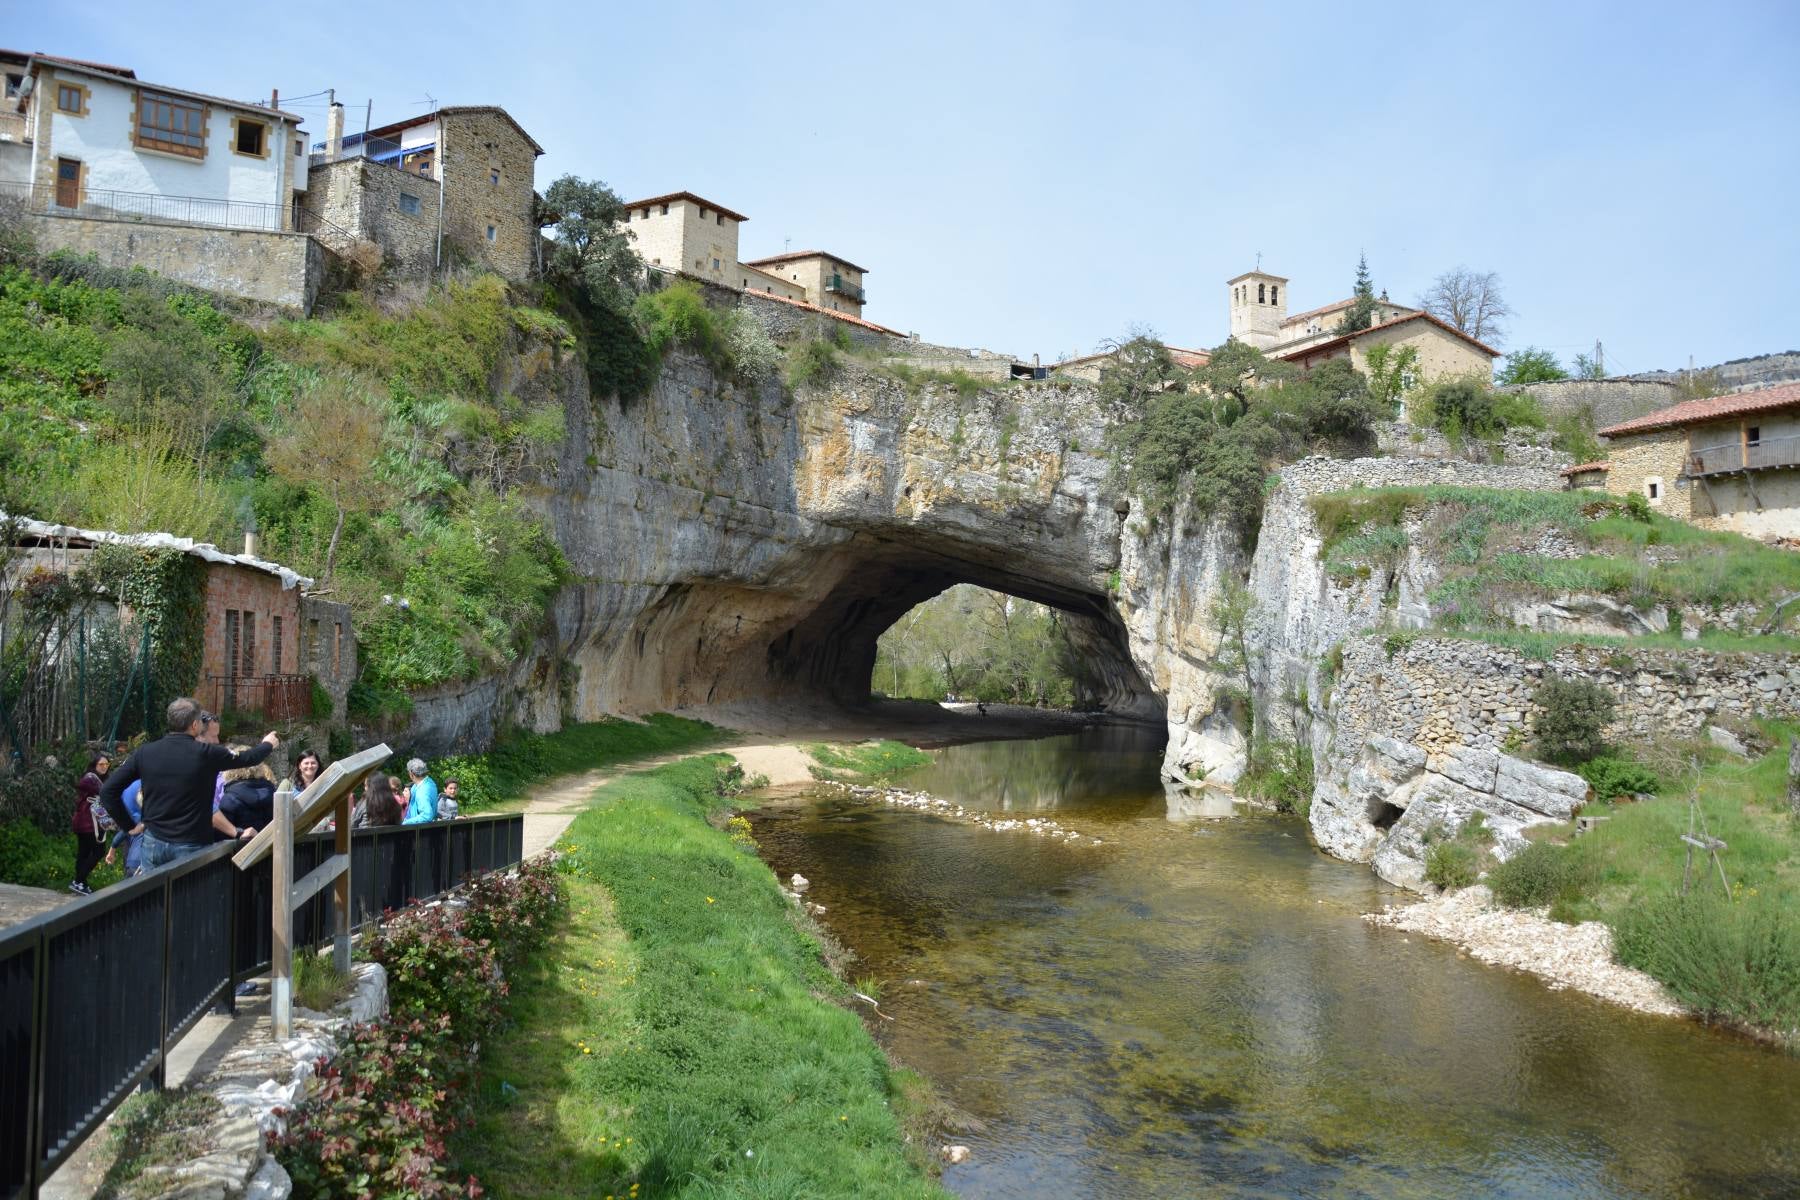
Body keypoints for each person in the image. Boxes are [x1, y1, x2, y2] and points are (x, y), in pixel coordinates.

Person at [100, 698, 278, 869]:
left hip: (154, 841)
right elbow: (248, 758)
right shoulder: (206, 753)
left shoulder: (145, 752)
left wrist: (129, 826)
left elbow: (108, 791)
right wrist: (268, 744)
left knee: (154, 898)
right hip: (191, 843)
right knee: (190, 898)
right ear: (194, 725)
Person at [69, 755, 111, 894]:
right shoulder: (90, 778)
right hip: (87, 822)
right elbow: (82, 784)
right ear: (94, 765)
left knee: (84, 853)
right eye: (101, 764)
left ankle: (81, 884)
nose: (104, 767)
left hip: (86, 822)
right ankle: (78, 881)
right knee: (98, 852)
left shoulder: (99, 780)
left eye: (106, 764)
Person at [218, 753, 278, 835]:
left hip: (243, 846)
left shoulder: (230, 798)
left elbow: (220, 834)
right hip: (272, 845)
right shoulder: (272, 792)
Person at [401, 758, 439, 824]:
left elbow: (426, 816)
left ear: (411, 774)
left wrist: (405, 823)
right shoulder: (429, 782)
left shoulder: (422, 792)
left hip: (418, 830)